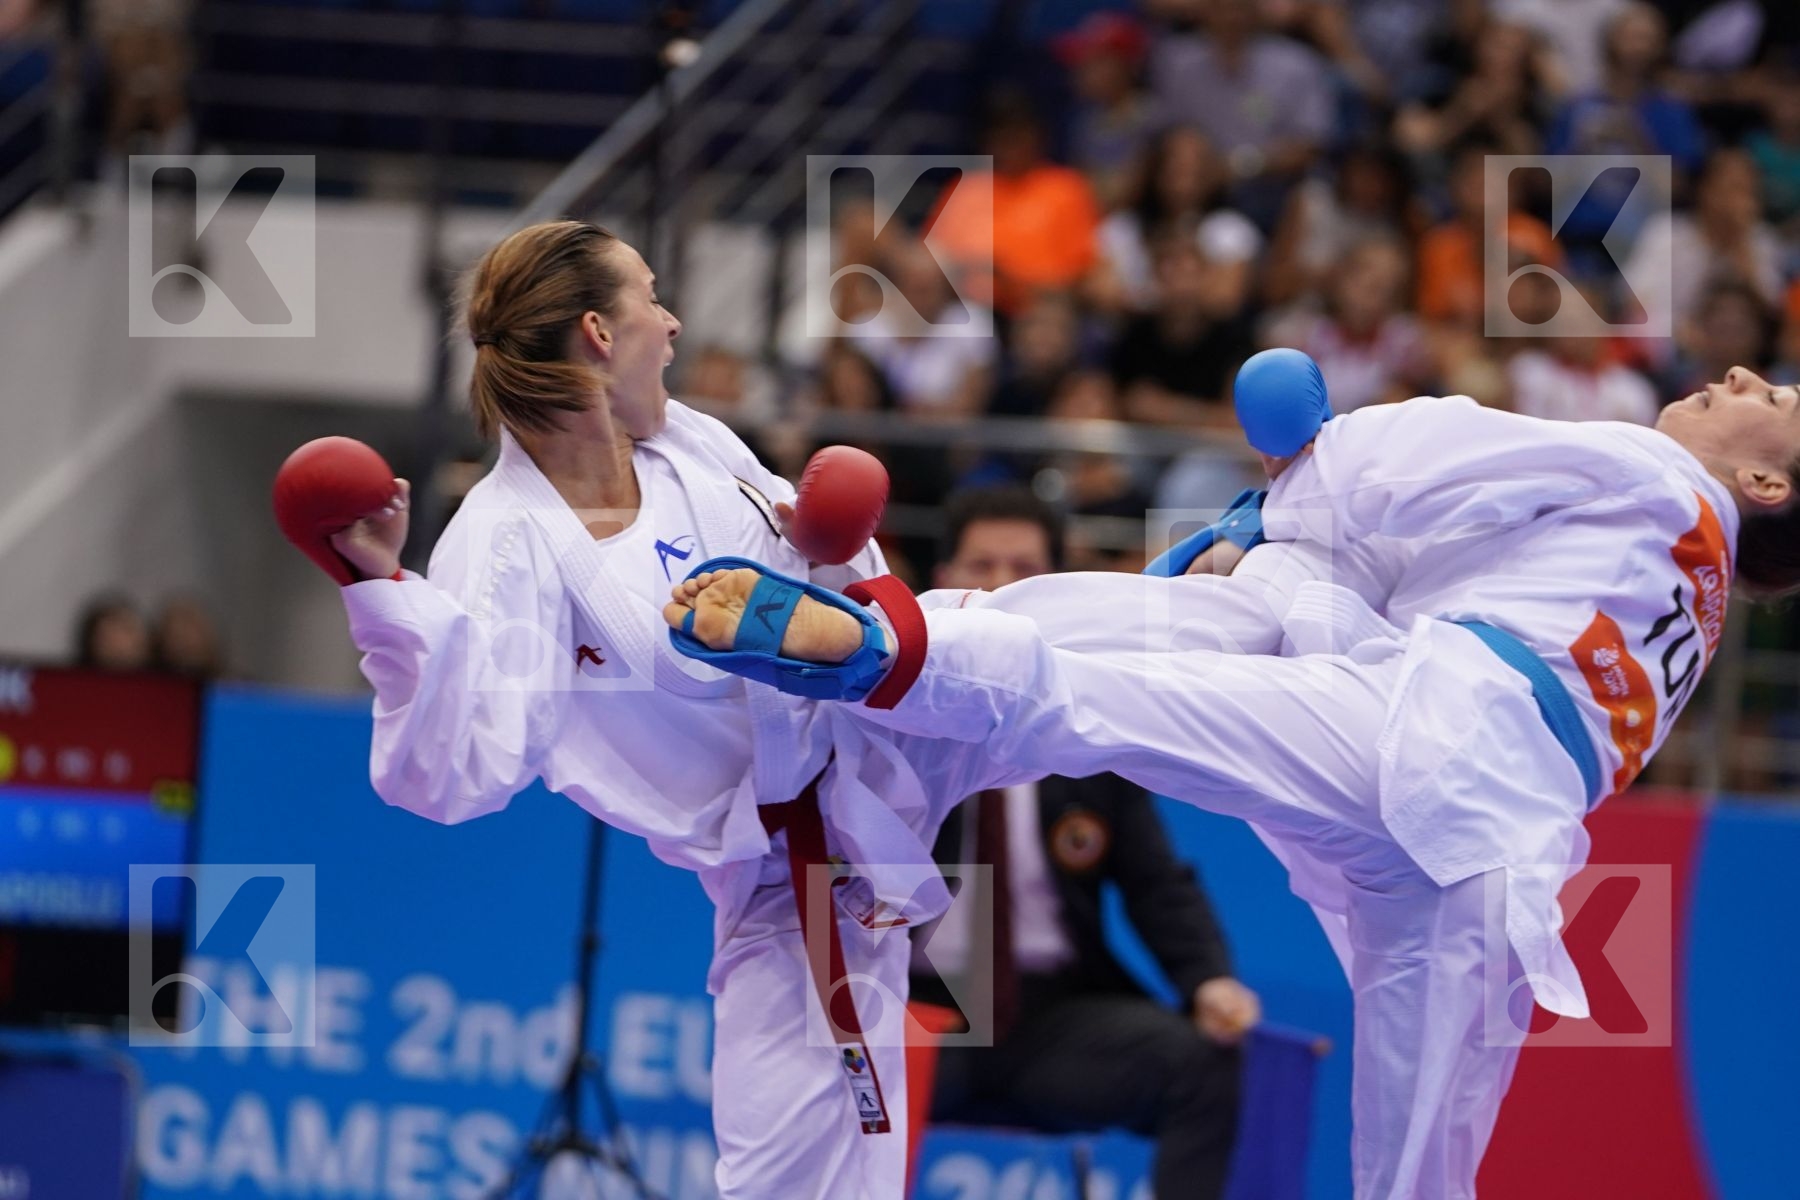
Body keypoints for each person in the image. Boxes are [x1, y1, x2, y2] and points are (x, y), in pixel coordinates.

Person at [665, 364, 1800, 1198]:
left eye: (1780, 400)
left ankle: (895, 646)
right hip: (1493, 863)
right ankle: (919, 649)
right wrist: (1276, 530)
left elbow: (1429, 457)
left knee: (1133, 684)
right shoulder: (1681, 608)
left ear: (1763, 481)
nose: (1748, 374)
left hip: (1412, 731)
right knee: (1421, 1178)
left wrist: (1313, 462)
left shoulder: (1652, 471)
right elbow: (1396, 568)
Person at [322, 220, 1013, 1200]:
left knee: (1052, 640)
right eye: (653, 296)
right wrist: (386, 600)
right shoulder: (511, 542)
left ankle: (1239, 583)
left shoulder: (693, 445)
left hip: (893, 734)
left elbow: (831, 599)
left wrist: (834, 547)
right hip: (788, 883)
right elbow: (450, 776)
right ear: (602, 333)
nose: (675, 321)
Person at [912, 486, 1254, 1200]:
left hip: (1052, 1021)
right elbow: (836, 881)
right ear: (941, 579)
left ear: (1057, 588)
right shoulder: (892, 718)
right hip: (917, 1009)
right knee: (830, 1063)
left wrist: (1208, 979)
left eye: (1023, 569)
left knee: (1202, 1063)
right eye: (981, 565)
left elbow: (1154, 881)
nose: (1001, 588)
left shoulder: (1088, 727)